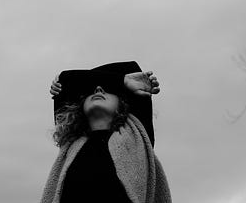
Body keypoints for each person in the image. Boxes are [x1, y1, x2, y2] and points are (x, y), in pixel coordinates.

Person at [40, 61, 172, 203]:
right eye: (91, 90)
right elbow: (66, 79)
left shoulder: (137, 135)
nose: (98, 90)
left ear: (123, 103)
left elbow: (131, 68)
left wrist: (122, 82)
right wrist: (120, 81)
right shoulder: (71, 142)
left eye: (108, 89)